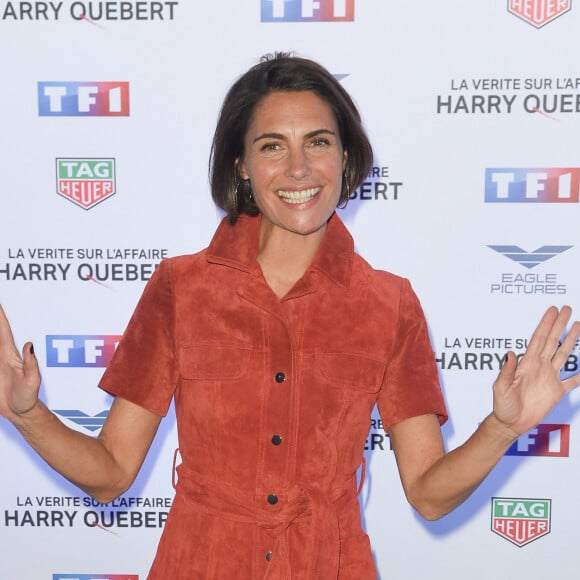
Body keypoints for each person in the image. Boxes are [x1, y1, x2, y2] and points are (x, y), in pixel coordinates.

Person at [0, 53, 579, 579]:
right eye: (273, 145)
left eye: (319, 142)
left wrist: (503, 427)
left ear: (346, 158)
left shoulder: (389, 302)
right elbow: (110, 473)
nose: (298, 168)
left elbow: (429, 493)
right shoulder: (182, 287)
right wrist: (25, 414)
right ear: (243, 166)